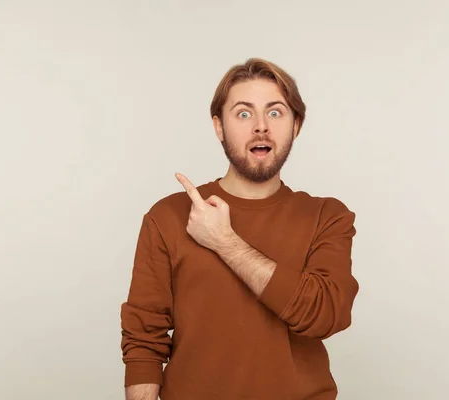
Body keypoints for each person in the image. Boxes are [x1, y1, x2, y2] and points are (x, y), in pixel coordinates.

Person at [119, 58, 359, 400]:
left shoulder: (327, 217)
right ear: (219, 127)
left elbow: (324, 315)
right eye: (243, 114)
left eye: (275, 112)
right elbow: (144, 338)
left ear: (296, 126)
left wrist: (225, 242)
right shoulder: (169, 216)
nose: (260, 127)